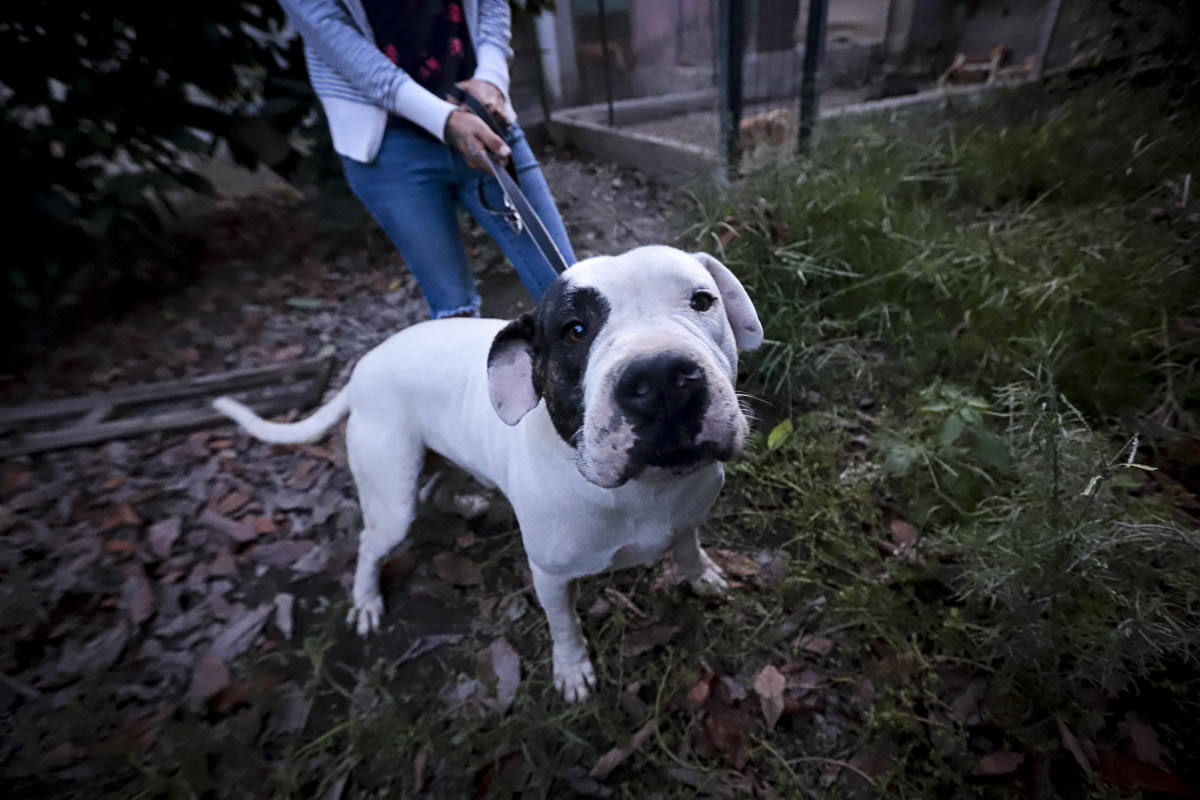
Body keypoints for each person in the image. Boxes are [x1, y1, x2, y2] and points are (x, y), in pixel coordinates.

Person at [279, 0, 576, 318]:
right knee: (454, 312)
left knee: (569, 292)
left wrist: (491, 78)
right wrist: (445, 120)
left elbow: (492, 5)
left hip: (483, 118)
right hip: (390, 144)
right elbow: (348, 55)